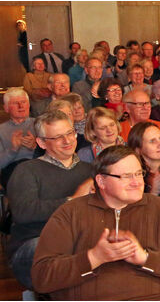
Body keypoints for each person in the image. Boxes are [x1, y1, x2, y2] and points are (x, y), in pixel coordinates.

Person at [31, 145, 160, 300]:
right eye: (126, 176)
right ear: (101, 181)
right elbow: (42, 277)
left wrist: (145, 258)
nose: (136, 182)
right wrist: (94, 257)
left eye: (139, 173)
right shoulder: (70, 213)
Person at [6, 110, 96, 289]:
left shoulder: (91, 170)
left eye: (70, 133)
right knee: (57, 248)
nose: (67, 141)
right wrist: (72, 200)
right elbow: (23, 212)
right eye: (58, 137)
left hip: (82, 238)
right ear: (41, 142)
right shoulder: (27, 170)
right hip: (36, 240)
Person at [0, 88, 37, 184]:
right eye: (15, 103)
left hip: (38, 167)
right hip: (12, 171)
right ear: (6, 108)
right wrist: (13, 150)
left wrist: (35, 147)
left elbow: (53, 154)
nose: (21, 106)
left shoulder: (40, 124)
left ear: (29, 105)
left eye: (23, 102)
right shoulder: (1, 130)